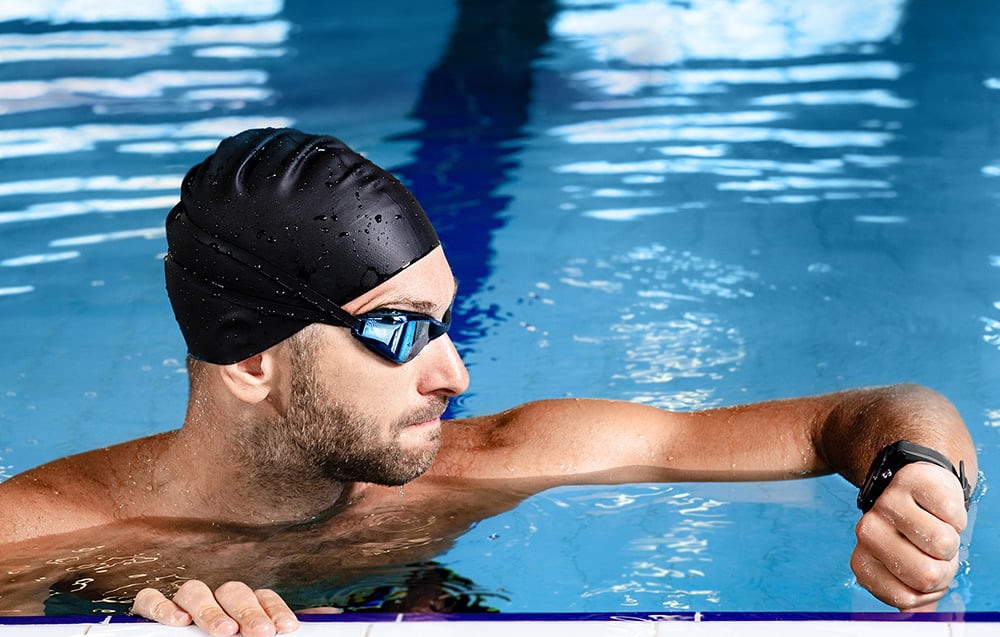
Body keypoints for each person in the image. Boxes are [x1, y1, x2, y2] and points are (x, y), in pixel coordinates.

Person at [0, 128, 977, 636]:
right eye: (398, 329)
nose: (453, 372)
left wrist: (916, 467)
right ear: (254, 358)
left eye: (444, 320)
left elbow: (865, 414)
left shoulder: (487, 463)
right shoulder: (31, 536)